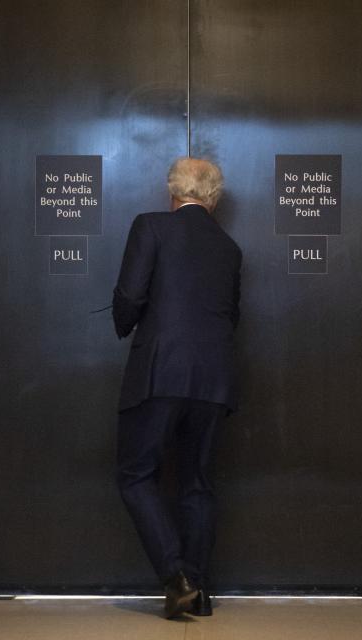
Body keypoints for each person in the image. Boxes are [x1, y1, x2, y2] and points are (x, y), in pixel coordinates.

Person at [112, 157, 242, 618]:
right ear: (213, 198)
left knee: (135, 475)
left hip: (159, 373)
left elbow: (129, 295)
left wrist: (123, 324)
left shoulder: (150, 226)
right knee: (197, 483)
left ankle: (176, 577)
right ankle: (199, 592)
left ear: (172, 192)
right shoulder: (229, 247)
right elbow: (232, 316)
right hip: (214, 379)